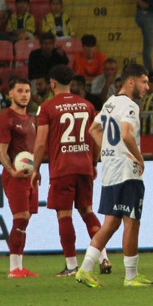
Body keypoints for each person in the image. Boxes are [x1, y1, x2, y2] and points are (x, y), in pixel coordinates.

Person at [76, 63, 153, 288]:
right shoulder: (130, 106)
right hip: (126, 173)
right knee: (132, 221)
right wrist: (139, 157)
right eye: (144, 81)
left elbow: (93, 129)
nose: (147, 87)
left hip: (111, 170)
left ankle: (85, 269)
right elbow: (127, 134)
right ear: (131, 82)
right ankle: (131, 276)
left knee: (111, 223)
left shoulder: (110, 102)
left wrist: (109, 153)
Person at [31, 65, 112, 277]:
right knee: (87, 210)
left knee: (64, 214)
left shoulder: (47, 108)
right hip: (84, 165)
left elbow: (40, 144)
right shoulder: (87, 105)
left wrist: (35, 168)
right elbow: (96, 136)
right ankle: (103, 257)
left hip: (62, 167)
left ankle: (71, 265)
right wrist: (94, 163)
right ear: (71, 83)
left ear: (52, 83)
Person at [0, 77, 38, 278]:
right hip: (15, 176)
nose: (24, 95)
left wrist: (36, 170)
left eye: (27, 91)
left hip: (29, 176)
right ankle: (13, 268)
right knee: (20, 218)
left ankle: (19, 266)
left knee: (25, 220)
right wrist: (12, 171)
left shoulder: (31, 118)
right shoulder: (6, 118)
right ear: (10, 93)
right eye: (20, 91)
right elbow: (1, 151)